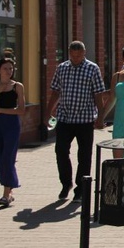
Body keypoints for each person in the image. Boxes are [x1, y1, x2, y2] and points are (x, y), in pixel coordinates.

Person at [44, 41, 105, 203]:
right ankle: (66, 183)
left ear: (84, 53)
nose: (76, 58)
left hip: (85, 119)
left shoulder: (92, 69)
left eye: (79, 55)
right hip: (65, 118)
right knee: (61, 151)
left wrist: (101, 117)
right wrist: (48, 112)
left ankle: (80, 189)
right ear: (69, 53)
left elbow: (98, 94)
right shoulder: (62, 68)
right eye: (73, 55)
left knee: (84, 155)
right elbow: (55, 91)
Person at [0, 58, 25, 206]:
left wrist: (1, 110)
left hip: (12, 124)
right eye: (5, 68)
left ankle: (6, 194)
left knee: (8, 157)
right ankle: (9, 189)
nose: (9, 71)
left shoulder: (17, 86)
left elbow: (21, 110)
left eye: (11, 69)